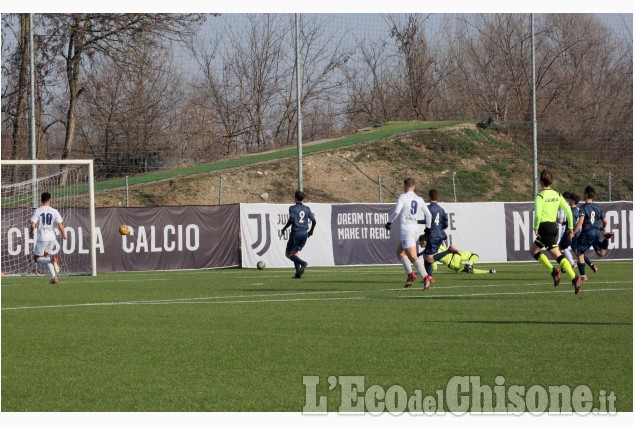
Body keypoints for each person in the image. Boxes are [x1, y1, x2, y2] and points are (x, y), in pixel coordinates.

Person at [532, 170, 581, 294]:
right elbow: (569, 212)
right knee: (533, 250)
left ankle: (573, 276)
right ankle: (553, 271)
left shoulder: (540, 196)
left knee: (556, 254)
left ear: (540, 182)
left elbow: (538, 215)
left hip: (544, 227)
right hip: (554, 227)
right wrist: (570, 227)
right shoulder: (557, 195)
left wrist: (535, 227)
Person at [384, 178, 433, 290]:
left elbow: (397, 211)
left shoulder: (403, 197)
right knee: (400, 252)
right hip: (415, 229)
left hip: (407, 230)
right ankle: (411, 275)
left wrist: (389, 222)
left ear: (405, 186)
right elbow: (429, 215)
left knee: (412, 256)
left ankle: (426, 277)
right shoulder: (419, 199)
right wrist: (428, 229)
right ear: (414, 187)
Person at [571, 186, 613, 281]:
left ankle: (583, 275)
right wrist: (602, 227)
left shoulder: (583, 207)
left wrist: (573, 232)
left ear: (586, 195)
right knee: (600, 253)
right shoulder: (598, 207)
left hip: (587, 233)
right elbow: (605, 220)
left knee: (580, 253)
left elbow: (580, 222)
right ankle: (606, 240)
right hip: (596, 232)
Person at [30, 192, 66, 284]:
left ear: (41, 200)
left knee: (37, 258)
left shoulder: (38, 211)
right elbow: (60, 225)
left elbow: (33, 224)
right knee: (47, 256)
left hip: (42, 237)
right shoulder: (54, 211)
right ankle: (54, 278)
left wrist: (31, 233)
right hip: (52, 238)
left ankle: (53, 260)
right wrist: (64, 234)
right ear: (50, 199)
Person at [421, 189, 457, 280]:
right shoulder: (441, 209)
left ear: (429, 197)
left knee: (429, 258)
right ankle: (429, 277)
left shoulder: (428, 208)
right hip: (439, 235)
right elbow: (446, 224)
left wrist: (416, 221)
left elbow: (428, 221)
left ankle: (449, 251)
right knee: (426, 255)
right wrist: (439, 229)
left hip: (432, 236)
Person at [281, 190, 316, 278]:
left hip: (296, 233)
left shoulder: (292, 208)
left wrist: (284, 228)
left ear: (295, 198)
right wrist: (311, 230)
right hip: (304, 234)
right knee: (295, 252)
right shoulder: (307, 209)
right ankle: (298, 273)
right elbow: (314, 221)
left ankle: (303, 263)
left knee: (288, 254)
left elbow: (292, 219)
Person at [418, 234, 495, 274]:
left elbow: (434, 268)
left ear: (424, 241)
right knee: (474, 255)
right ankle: (471, 264)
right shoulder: (435, 244)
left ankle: (488, 271)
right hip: (455, 254)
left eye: (420, 242)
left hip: (452, 264)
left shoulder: (428, 253)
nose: (419, 244)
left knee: (469, 271)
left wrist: (421, 272)